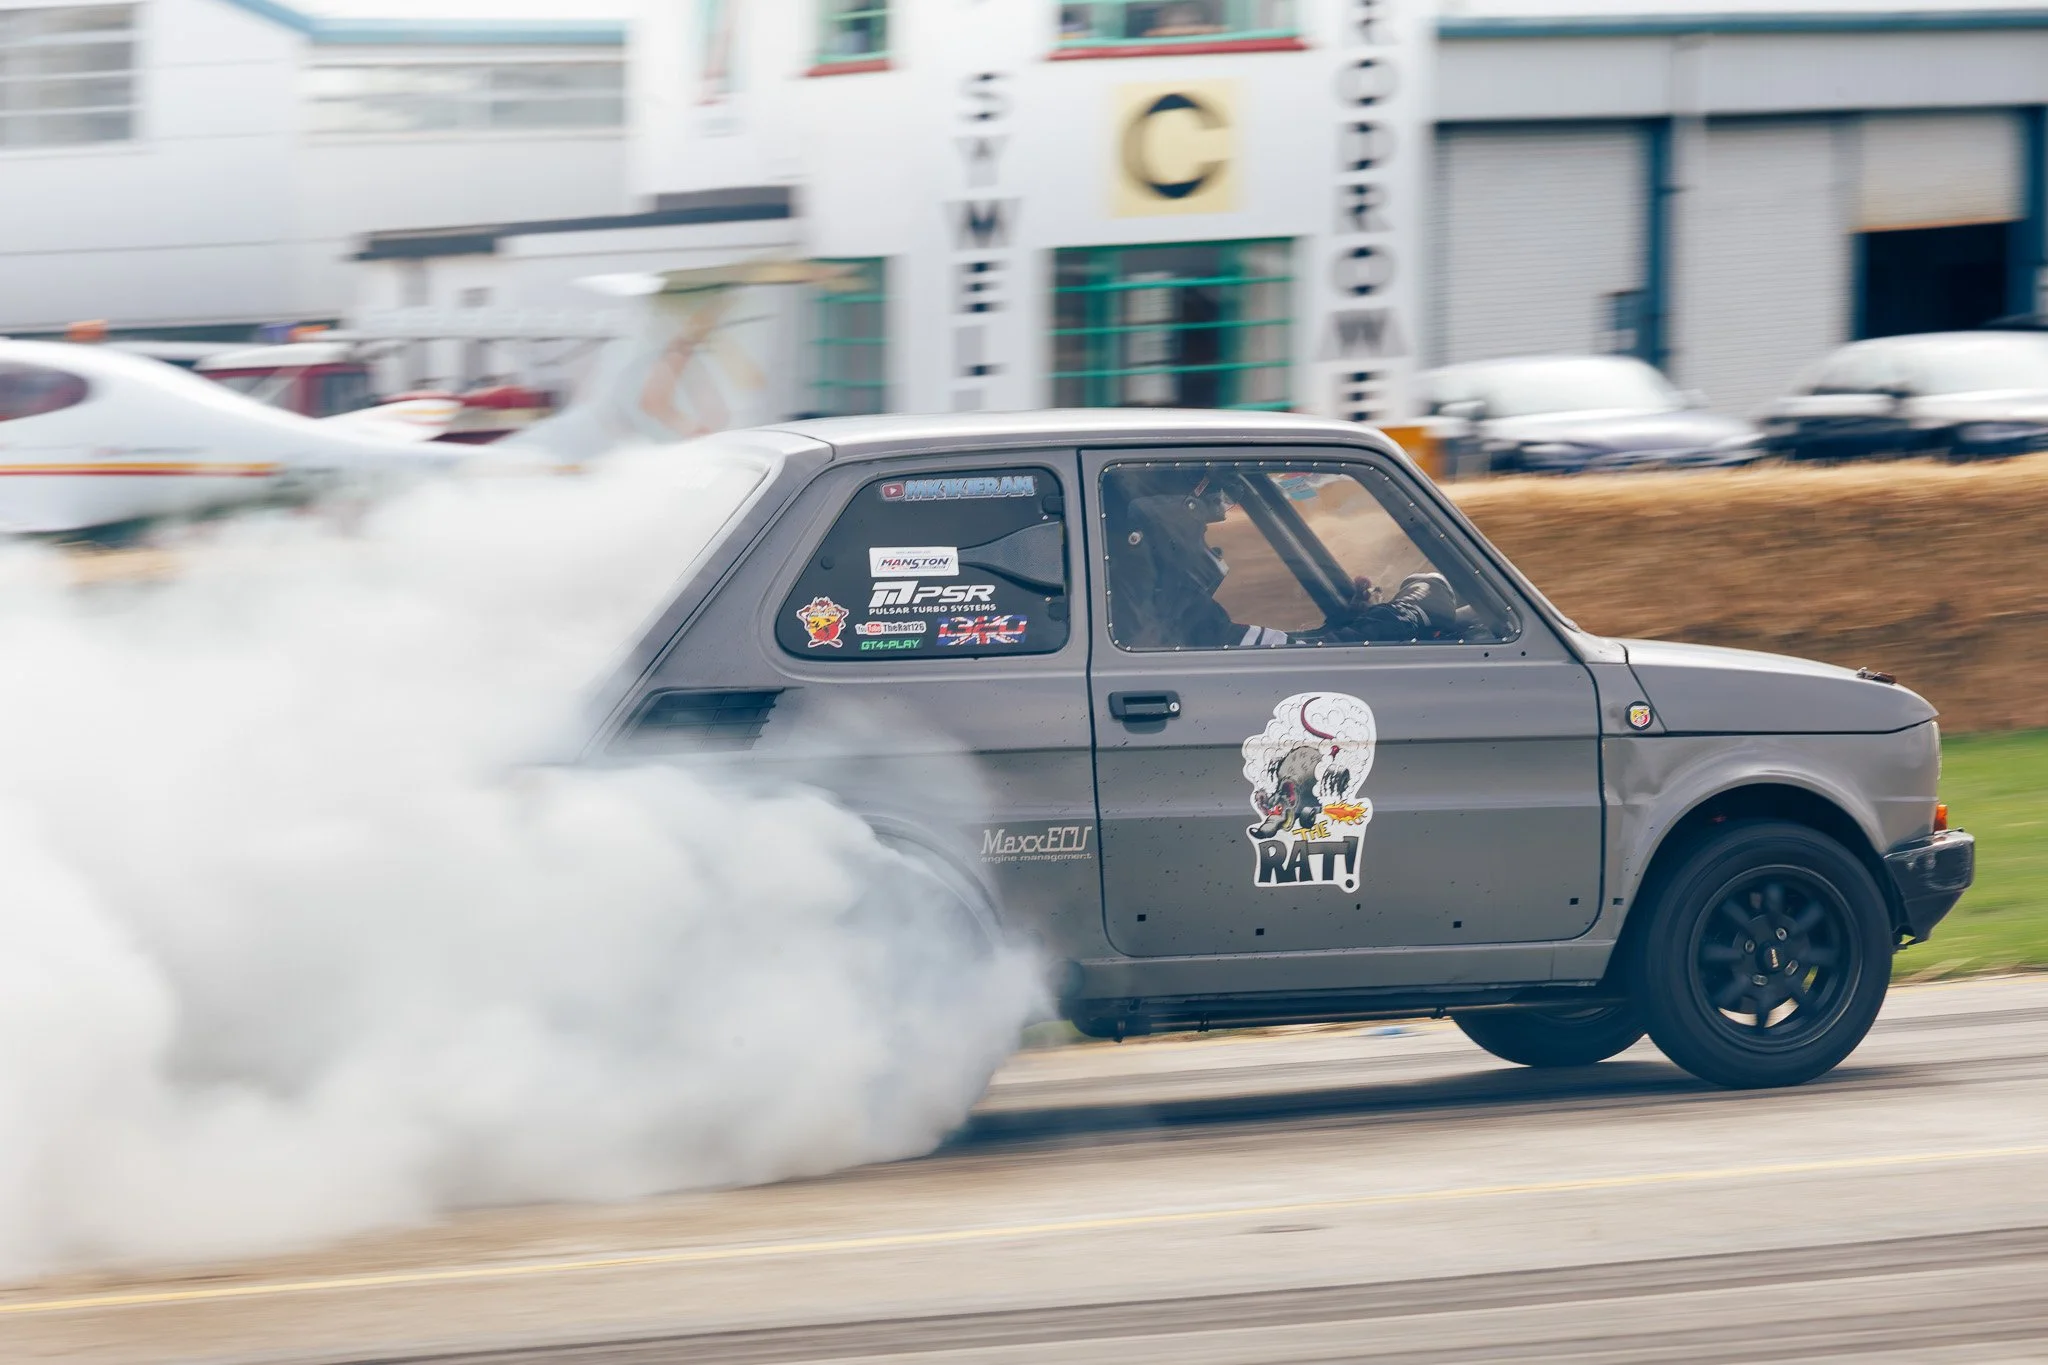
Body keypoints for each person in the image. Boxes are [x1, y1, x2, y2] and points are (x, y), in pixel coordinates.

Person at [1104, 468, 1459, 649]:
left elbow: (1275, 652)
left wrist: (1346, 622)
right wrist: (1406, 613)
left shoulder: (1132, 593)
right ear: (1170, 517)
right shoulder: (1168, 604)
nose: (1214, 528)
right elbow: (1292, 658)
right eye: (1203, 519)